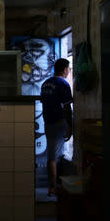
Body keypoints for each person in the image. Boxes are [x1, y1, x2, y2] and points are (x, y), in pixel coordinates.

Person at [40, 58, 73, 196]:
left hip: (48, 121)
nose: (69, 71)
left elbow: (44, 102)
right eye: (69, 69)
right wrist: (70, 125)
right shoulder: (63, 84)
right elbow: (66, 107)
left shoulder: (45, 83)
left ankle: (54, 185)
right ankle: (53, 186)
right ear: (65, 69)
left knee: (52, 153)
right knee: (53, 156)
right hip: (59, 122)